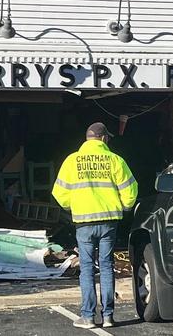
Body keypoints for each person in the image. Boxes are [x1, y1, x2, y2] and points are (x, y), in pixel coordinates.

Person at [52, 122, 138, 329]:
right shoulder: (115, 160)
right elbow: (130, 191)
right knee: (107, 266)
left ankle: (88, 317)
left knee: (87, 268)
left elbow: (59, 193)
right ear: (104, 139)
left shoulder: (72, 161)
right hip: (109, 221)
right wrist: (125, 207)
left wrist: (72, 206)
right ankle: (108, 316)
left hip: (84, 223)